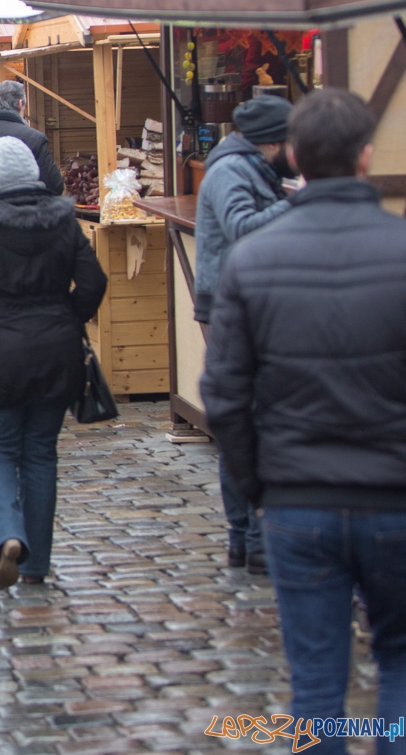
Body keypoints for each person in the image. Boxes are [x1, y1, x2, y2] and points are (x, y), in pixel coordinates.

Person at [201, 89, 406, 751]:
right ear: (367, 156)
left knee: (316, 684)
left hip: (298, 498)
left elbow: (225, 393)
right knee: (400, 663)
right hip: (394, 496)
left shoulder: (256, 260)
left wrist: (258, 485)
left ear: (295, 157)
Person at [0, 138, 107, 589]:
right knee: (40, 454)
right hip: (56, 350)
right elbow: (93, 282)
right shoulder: (63, 221)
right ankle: (36, 564)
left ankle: (8, 534)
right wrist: (67, 315)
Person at [192, 93, 293, 576]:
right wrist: (299, 205)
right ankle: (249, 536)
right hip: (232, 307)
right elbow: (241, 226)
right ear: (273, 142)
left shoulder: (245, 167)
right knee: (246, 422)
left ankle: (247, 538)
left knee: (248, 419)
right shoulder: (234, 170)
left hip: (241, 302)